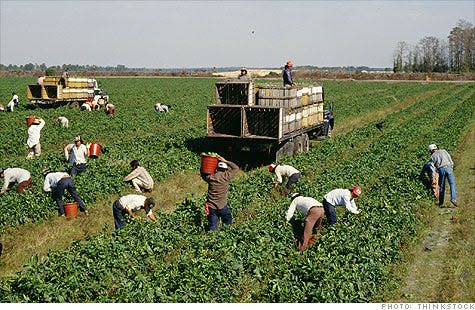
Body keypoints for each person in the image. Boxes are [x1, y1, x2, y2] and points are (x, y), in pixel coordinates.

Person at [201, 155, 239, 232]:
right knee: (228, 221)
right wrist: (225, 161)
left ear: (216, 169)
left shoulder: (211, 178)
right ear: (225, 170)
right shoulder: (226, 176)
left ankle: (211, 239)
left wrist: (204, 165)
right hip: (222, 206)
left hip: (211, 207)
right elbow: (236, 168)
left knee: (212, 226)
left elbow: (203, 174)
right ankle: (225, 234)